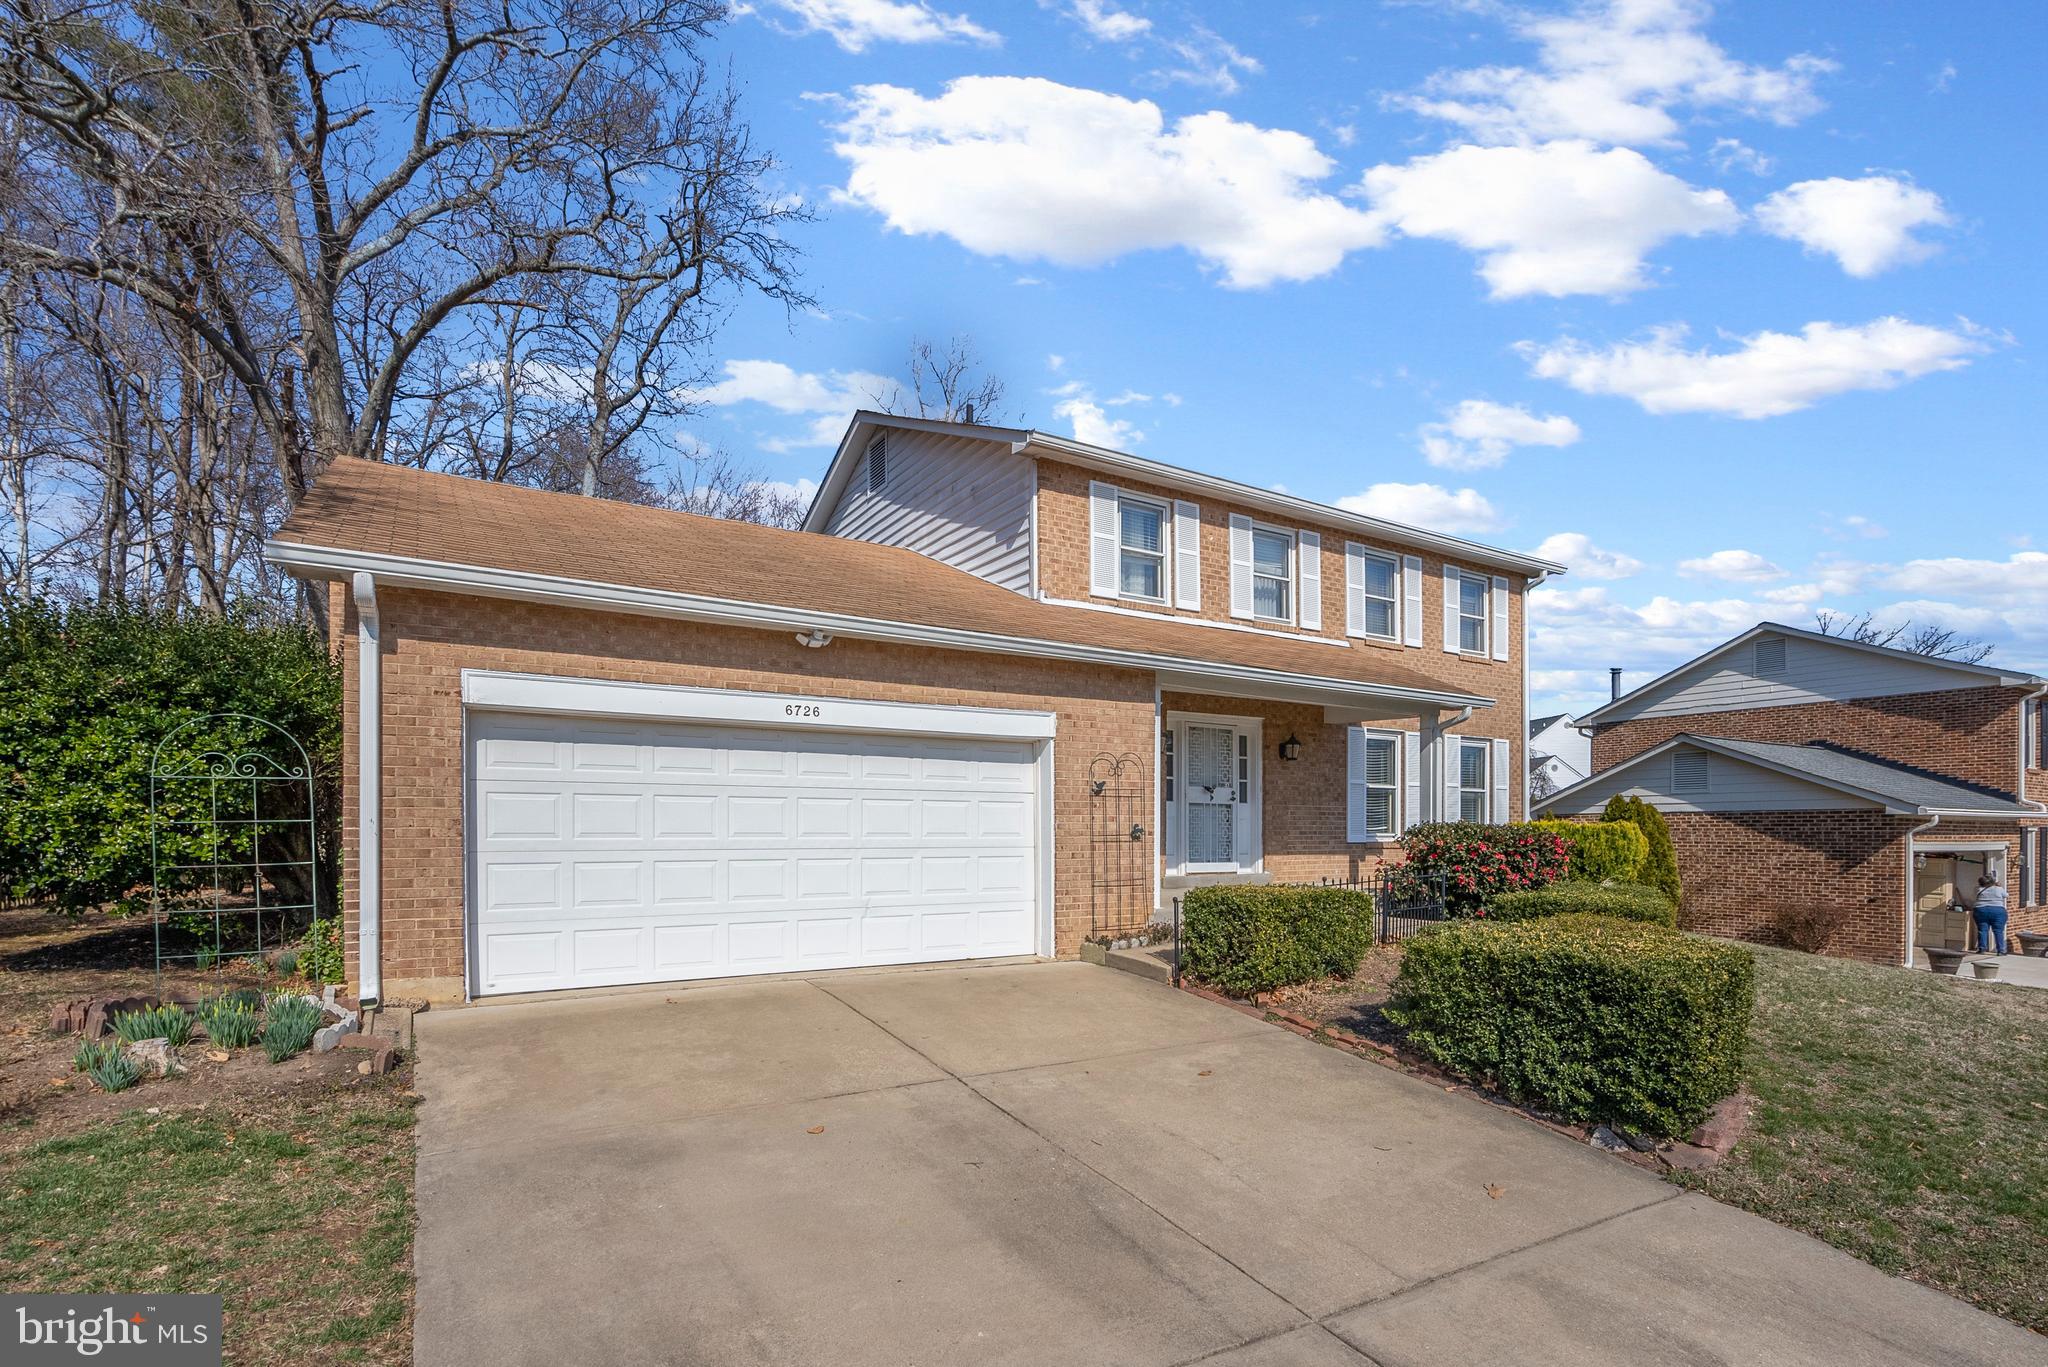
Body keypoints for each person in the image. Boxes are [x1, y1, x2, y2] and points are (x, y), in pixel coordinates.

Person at [1972, 873, 2009, 955]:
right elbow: (2006, 895)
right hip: (1997, 910)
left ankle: (1982, 948)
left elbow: (1974, 896)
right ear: (1992, 882)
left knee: (1982, 930)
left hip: (1981, 910)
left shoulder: (1978, 889)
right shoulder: (1998, 889)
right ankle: (2000, 950)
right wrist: (1999, 886)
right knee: (1998, 931)